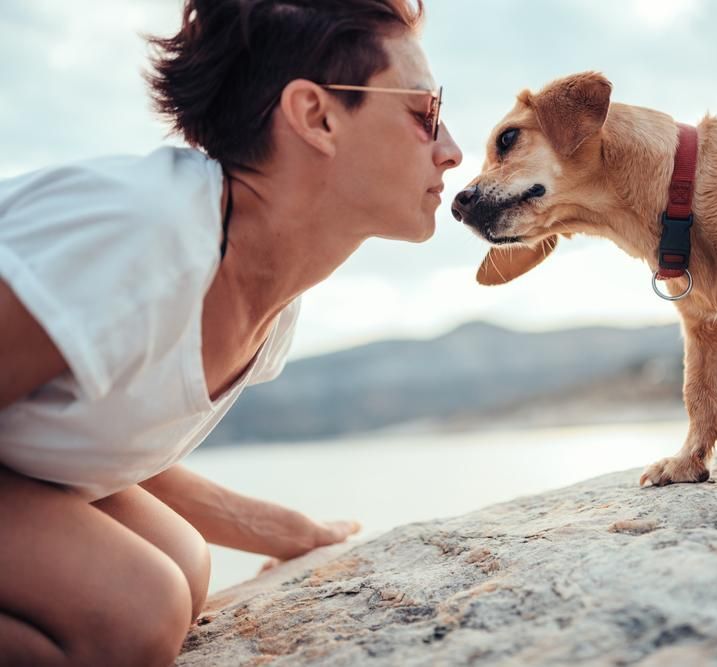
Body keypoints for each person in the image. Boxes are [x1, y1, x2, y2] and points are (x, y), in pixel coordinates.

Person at [0, 0, 462, 663]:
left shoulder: (270, 294)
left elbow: (93, 442)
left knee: (183, 562)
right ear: (316, 116)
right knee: (134, 606)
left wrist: (290, 530)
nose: (452, 149)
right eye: (425, 113)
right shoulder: (142, 237)